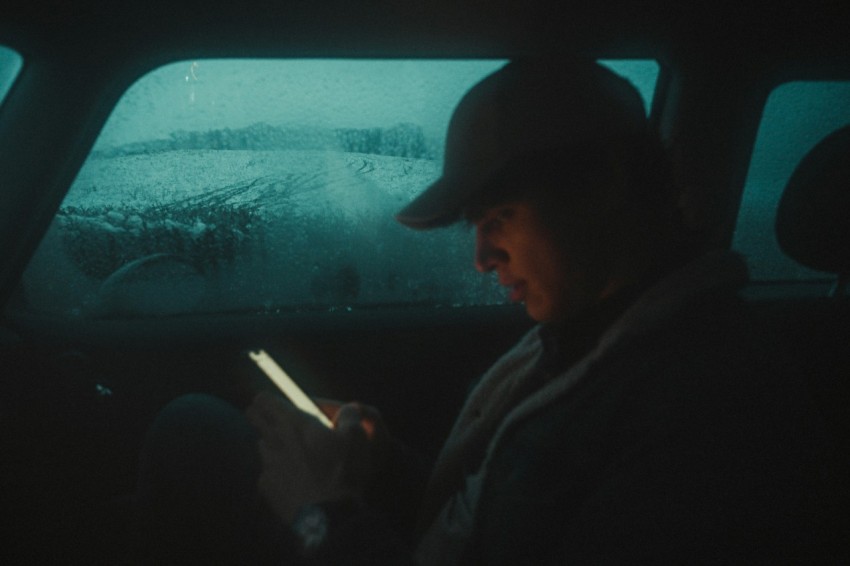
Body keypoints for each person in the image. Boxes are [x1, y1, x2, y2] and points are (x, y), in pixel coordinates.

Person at [140, 56, 837, 564]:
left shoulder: (709, 413)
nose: (479, 258)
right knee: (200, 428)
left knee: (190, 432)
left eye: (499, 217)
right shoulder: (594, 337)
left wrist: (318, 514)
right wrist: (379, 465)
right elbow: (491, 512)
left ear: (602, 185)